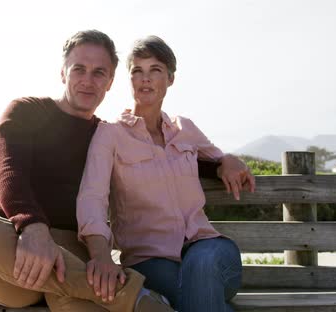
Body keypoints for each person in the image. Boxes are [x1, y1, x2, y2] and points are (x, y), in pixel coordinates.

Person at [0, 30, 251, 312]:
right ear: (63, 72)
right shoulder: (27, 111)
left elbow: (168, 156)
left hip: (74, 253)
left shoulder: (105, 134)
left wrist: (222, 162)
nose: (88, 80)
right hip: (18, 252)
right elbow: (9, 175)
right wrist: (33, 228)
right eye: (79, 69)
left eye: (99, 73)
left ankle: (108, 291)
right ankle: (141, 301)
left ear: (110, 82)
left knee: (78, 292)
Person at [77, 35, 255, 312]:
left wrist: (230, 159)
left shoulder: (185, 129)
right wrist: (100, 255)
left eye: (155, 70)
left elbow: (216, 157)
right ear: (130, 80)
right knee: (197, 295)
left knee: (203, 267)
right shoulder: (109, 134)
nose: (145, 79)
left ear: (170, 79)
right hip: (149, 260)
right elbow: (92, 196)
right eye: (137, 71)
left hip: (207, 247)